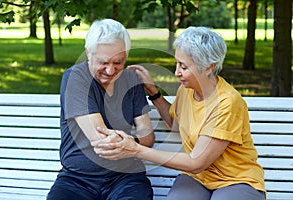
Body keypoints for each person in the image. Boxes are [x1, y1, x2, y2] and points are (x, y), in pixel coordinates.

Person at [92, 26, 266, 200]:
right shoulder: (188, 90)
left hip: (235, 180)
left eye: (183, 67)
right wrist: (154, 92)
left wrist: (136, 150)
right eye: (177, 64)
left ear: (208, 67)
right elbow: (176, 125)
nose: (176, 73)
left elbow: (196, 162)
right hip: (198, 178)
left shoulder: (227, 103)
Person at [47, 18, 155, 200]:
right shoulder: (76, 78)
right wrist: (132, 142)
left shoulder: (131, 80)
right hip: (77, 179)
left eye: (118, 62)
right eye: (103, 62)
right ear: (88, 53)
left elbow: (148, 137)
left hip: (125, 177)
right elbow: (101, 140)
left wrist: (133, 140)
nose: (111, 71)